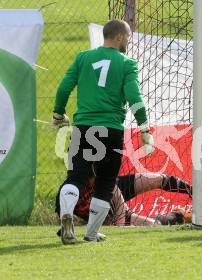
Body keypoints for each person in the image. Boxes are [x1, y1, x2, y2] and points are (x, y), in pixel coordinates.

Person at [52, 19, 154, 244]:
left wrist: (58, 113)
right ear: (118, 37)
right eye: (127, 36)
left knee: (76, 176)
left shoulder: (83, 58)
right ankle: (90, 233)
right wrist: (144, 126)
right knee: (106, 181)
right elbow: (134, 96)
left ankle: (67, 215)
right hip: (111, 130)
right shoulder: (127, 63)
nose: (129, 40)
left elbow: (63, 87)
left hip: (84, 127)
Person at [55, 169, 202, 240]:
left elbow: (116, 193)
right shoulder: (68, 192)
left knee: (157, 178)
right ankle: (177, 215)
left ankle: (195, 190)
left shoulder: (104, 181)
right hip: (106, 218)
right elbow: (63, 219)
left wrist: (120, 225)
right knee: (154, 226)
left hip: (116, 197)